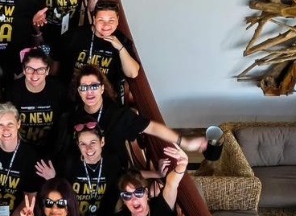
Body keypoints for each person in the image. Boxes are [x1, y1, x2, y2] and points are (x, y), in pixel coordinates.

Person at [64, 67, 205, 168]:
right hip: (81, 173)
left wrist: (185, 142)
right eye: (84, 87)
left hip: (114, 174)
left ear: (102, 88)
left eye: (94, 86)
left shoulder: (119, 115)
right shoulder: (72, 116)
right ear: (79, 91)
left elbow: (153, 128)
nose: (89, 92)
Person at [62, 0, 139, 104]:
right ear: (94, 20)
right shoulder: (75, 36)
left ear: (117, 20)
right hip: (76, 97)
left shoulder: (122, 40)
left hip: (107, 100)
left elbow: (132, 73)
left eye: (111, 20)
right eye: (101, 20)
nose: (106, 25)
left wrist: (120, 48)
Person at [45, 121, 120, 216]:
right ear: (78, 145)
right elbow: (59, 195)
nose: (88, 148)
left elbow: (120, 186)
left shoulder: (112, 163)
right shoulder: (69, 163)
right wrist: (53, 179)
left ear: (102, 142)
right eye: (83, 144)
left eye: (93, 142)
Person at [9, 48, 68, 156]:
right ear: (23, 70)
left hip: (49, 149)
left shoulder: (58, 90)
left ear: (47, 70)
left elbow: (63, 124)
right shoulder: (13, 91)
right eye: (30, 69)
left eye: (40, 69)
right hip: (20, 149)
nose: (35, 75)